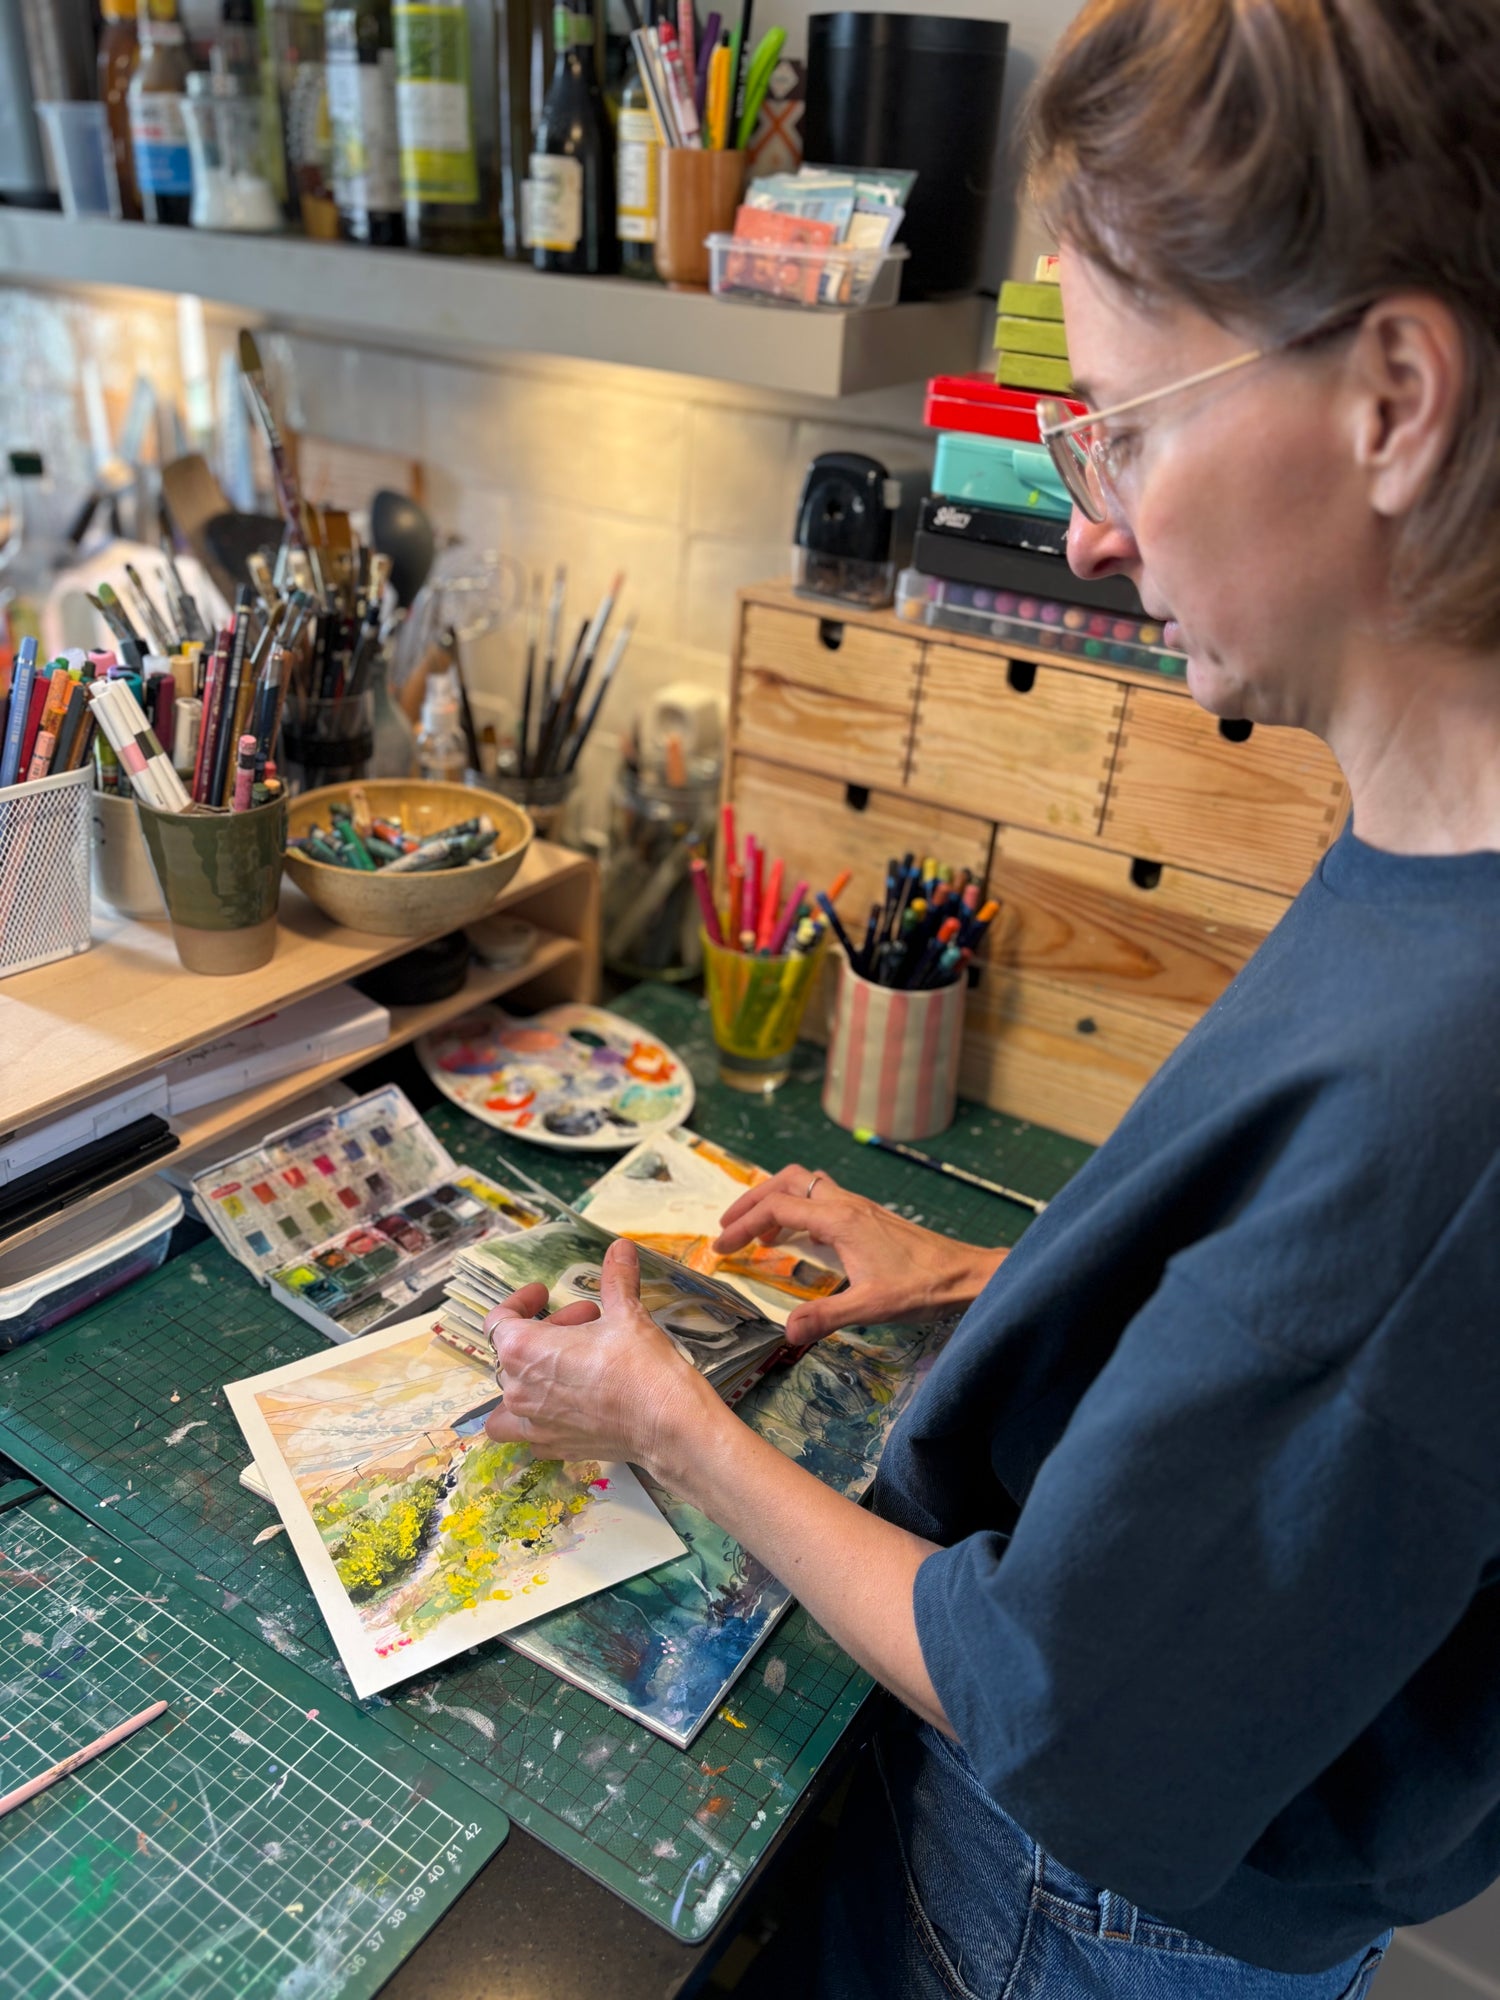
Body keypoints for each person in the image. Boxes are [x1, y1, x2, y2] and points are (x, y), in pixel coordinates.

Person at [479, 1, 1500, 1992]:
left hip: (1077, 1907)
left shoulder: (1456, 1072)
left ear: (1391, 396)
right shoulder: (1423, 844)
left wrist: (672, 1422)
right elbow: (1302, 1345)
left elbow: (1058, 1711)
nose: (1093, 524)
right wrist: (971, 1274)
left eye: (1121, 422)